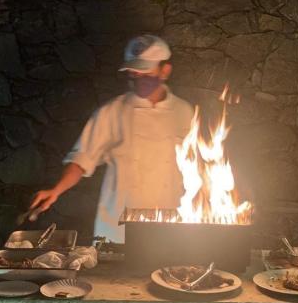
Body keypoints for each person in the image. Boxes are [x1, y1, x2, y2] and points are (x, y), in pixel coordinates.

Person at [30, 35, 194, 243]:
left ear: (165, 71)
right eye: (133, 74)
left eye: (146, 73)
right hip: (118, 227)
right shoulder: (111, 112)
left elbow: (199, 168)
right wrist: (56, 190)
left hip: (171, 226)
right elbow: (82, 159)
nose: (139, 79)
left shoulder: (184, 112)